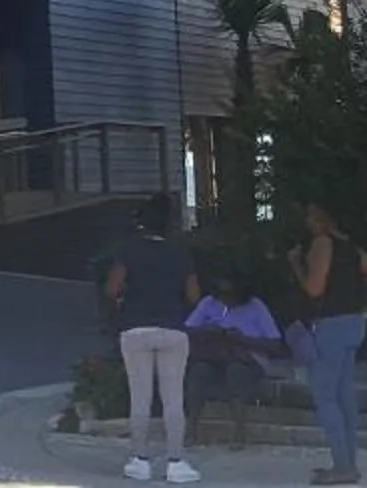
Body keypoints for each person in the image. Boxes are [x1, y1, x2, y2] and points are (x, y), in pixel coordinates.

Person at [290, 202, 367, 486]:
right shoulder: (352, 249)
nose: (307, 223)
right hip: (354, 323)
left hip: (329, 325)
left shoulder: (321, 245)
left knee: (325, 396)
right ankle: (348, 462)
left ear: (322, 220)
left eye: (311, 217)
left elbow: (314, 289)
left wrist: (297, 265)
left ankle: (342, 467)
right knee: (345, 397)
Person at [105, 193, 204, 483]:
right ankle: (176, 462)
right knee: (173, 398)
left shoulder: (129, 250)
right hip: (173, 327)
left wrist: (126, 298)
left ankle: (139, 460)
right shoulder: (180, 253)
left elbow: (112, 289)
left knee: (141, 397)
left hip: (135, 327)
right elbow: (194, 296)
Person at [184, 273, 284, 434]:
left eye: (231, 296)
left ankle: (239, 431)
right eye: (222, 296)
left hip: (246, 358)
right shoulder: (209, 303)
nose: (226, 301)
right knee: (198, 371)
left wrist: (242, 339)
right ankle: (191, 427)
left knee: (236, 371)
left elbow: (274, 343)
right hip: (214, 355)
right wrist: (206, 331)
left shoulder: (256, 306)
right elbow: (187, 330)